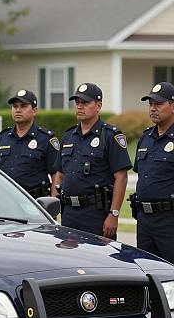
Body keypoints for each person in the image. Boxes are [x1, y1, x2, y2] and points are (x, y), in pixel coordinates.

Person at [52, 83, 131, 238]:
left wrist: (113, 214)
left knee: (98, 261)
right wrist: (54, 209)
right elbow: (59, 174)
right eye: (77, 103)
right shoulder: (68, 136)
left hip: (95, 214)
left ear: (98, 106)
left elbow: (121, 177)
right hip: (68, 214)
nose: (80, 107)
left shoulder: (109, 136)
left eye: (85, 103)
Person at [131, 82, 174, 263]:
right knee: (147, 272)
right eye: (150, 104)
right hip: (145, 221)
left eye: (158, 104)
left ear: (172, 106)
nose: (153, 109)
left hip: (169, 221)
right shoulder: (146, 138)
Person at [0, 89, 59, 197]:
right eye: (15, 106)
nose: (18, 110)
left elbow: (56, 175)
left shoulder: (45, 139)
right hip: (5, 202)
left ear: (34, 111)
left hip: (34, 203)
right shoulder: (2, 138)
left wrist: (53, 205)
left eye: (23, 106)